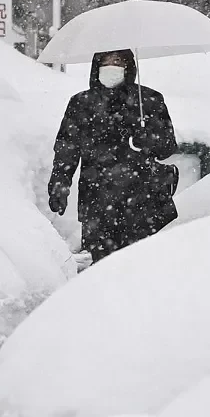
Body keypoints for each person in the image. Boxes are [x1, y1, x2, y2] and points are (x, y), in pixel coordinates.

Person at [48, 49, 179, 264]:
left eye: (117, 60)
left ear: (129, 66)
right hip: (98, 204)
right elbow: (67, 148)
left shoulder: (149, 100)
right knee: (103, 268)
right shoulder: (81, 103)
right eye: (105, 61)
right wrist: (60, 182)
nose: (111, 66)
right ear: (95, 66)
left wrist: (149, 139)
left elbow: (168, 148)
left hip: (143, 201)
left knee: (145, 265)